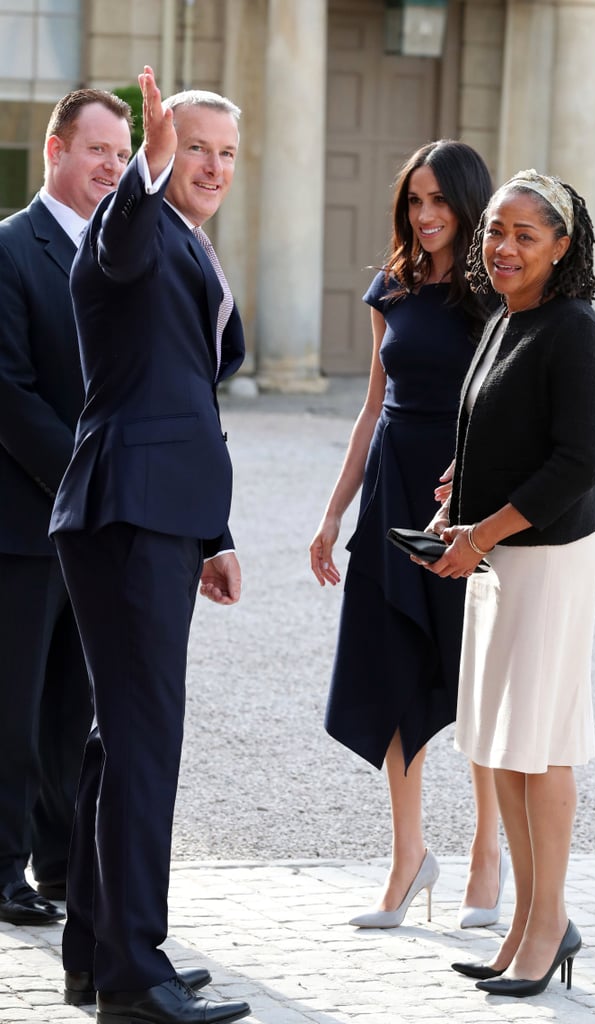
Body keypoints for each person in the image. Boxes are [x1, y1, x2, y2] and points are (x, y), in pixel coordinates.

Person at [49, 67, 250, 1024]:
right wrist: (146, 166)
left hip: (161, 515)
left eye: (224, 153)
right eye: (193, 146)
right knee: (143, 743)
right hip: (127, 512)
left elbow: (187, 396)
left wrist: (214, 532)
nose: (209, 166)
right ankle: (134, 973)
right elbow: (116, 240)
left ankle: (97, 949)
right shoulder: (127, 232)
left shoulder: (186, 243)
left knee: (116, 740)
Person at [310, 140, 509, 930]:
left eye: (438, 202)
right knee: (393, 672)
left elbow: (509, 406)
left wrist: (474, 481)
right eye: (413, 202)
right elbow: (370, 408)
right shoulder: (389, 287)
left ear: (468, 203)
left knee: (473, 682)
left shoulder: (497, 289)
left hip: (467, 495)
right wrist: (331, 513)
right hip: (392, 490)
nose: (424, 216)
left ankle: (487, 856)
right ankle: (408, 859)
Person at [420, 169, 595, 997]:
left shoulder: (573, 328)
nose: (502, 247)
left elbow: (577, 460)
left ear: (560, 247)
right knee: (498, 750)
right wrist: (455, 495)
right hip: (494, 552)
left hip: (544, 559)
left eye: (524, 235)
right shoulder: (505, 318)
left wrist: (483, 531)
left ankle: (544, 928)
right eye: (495, 230)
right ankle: (534, 922)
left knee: (540, 748)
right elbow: (502, 428)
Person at [0, 88, 133, 927]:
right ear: (56, 151)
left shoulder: (123, 253)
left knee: (72, 709)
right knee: (11, 704)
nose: (110, 168)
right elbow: (6, 392)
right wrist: (84, 478)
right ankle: (1, 868)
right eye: (97, 151)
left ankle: (60, 864)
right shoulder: (11, 248)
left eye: (121, 155)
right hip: (21, 520)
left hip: (96, 526)